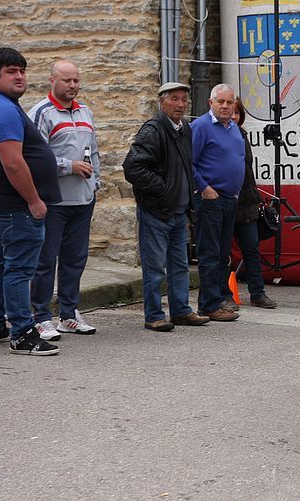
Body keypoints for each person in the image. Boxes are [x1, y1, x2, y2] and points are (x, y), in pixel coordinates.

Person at [0, 47, 62, 356]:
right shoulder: (1, 108)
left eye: (22, 70)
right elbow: (13, 163)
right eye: (11, 71)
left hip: (4, 202)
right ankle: (22, 334)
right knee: (19, 269)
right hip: (16, 206)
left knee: (4, 263)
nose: (20, 76)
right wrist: (34, 200)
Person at [122, 82, 210, 332]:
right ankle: (154, 315)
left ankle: (181, 311)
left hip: (178, 211)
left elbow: (186, 165)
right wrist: (164, 189)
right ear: (162, 102)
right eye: (174, 99)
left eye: (184, 99)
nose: (181, 104)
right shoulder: (153, 130)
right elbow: (133, 168)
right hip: (157, 211)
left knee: (180, 266)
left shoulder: (184, 129)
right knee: (155, 268)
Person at [27, 60, 99, 341]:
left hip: (82, 200)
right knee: (45, 262)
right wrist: (69, 166)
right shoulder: (41, 113)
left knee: (75, 260)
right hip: (54, 202)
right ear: (52, 81)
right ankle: (41, 317)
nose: (72, 85)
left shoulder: (85, 111)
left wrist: (95, 183)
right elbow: (34, 156)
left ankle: (69, 315)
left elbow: (93, 150)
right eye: (67, 80)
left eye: (76, 80)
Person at [190, 84, 244, 321]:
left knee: (223, 254)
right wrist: (205, 188)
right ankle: (209, 305)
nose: (225, 106)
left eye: (229, 102)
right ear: (210, 103)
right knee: (210, 253)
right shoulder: (201, 126)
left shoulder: (233, 128)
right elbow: (188, 162)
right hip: (210, 199)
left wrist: (235, 191)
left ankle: (219, 299)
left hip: (229, 199)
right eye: (220, 102)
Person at [220, 98, 277, 310]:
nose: (233, 116)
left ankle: (257, 293)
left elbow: (247, 171)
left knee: (251, 249)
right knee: (223, 252)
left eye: (237, 113)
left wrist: (254, 196)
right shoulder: (217, 134)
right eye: (231, 112)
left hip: (247, 202)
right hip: (226, 201)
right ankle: (225, 295)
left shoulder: (242, 135)